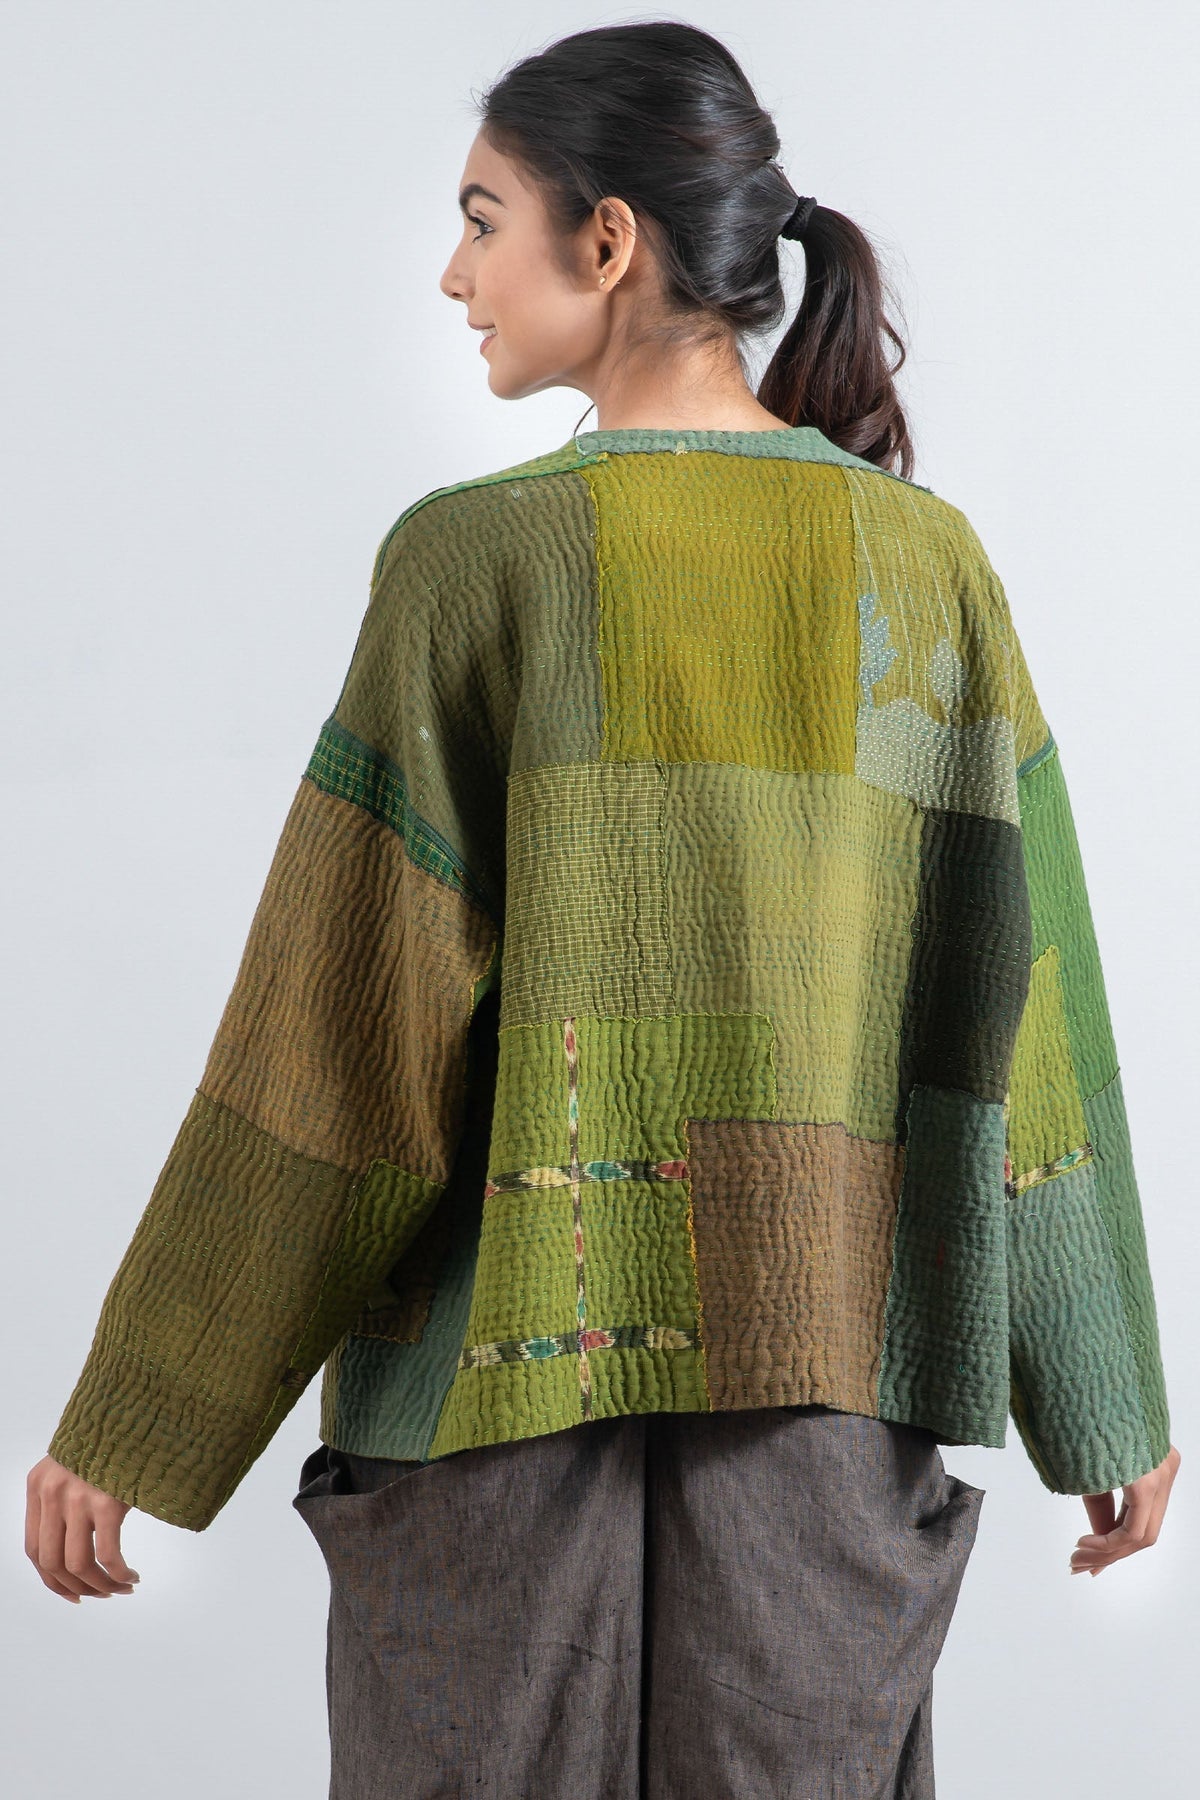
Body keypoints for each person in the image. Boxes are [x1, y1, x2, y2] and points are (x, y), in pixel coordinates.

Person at [26, 18, 1179, 1798]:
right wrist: (1102, 1389)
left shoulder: (476, 562)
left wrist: (141, 1416)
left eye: (483, 219)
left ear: (612, 240)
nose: (454, 272)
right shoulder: (923, 565)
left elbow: (337, 1057)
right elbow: (1026, 1021)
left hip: (502, 1429)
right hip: (821, 1428)